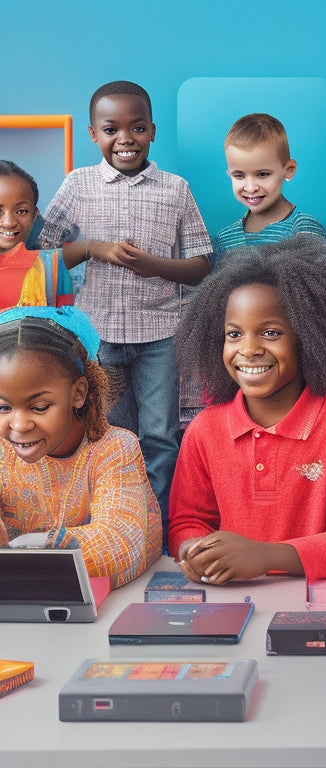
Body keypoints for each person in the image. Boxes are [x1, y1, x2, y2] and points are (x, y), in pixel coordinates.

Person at [168, 234, 326, 584]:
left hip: (323, 608)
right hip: (235, 603)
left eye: (269, 332)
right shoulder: (204, 430)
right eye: (234, 335)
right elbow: (187, 523)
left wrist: (268, 557)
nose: (248, 349)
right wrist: (196, 552)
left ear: (308, 338)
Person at [38, 80, 213, 548]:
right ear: (94, 134)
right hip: (99, 337)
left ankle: (159, 533)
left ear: (152, 131)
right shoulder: (79, 184)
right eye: (112, 129)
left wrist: (153, 265)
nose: (125, 138)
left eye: (137, 127)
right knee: (115, 436)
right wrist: (94, 248)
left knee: (160, 436)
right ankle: (122, 530)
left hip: (161, 335)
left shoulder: (174, 189)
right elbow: (45, 251)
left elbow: (201, 264)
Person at [0, 306, 162, 589]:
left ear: (78, 393)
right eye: (3, 407)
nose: (20, 424)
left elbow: (120, 542)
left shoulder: (115, 450)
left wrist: (25, 549)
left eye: (39, 407)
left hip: (107, 610)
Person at [212, 113, 326, 268]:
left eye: (262, 175)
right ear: (229, 175)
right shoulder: (225, 238)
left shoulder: (303, 230)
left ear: (289, 170)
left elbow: (323, 287)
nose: (251, 187)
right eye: (239, 175)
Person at [0, 160, 73, 309]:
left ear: (34, 215)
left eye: (21, 211)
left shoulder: (54, 268)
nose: (9, 222)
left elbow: (67, 323)